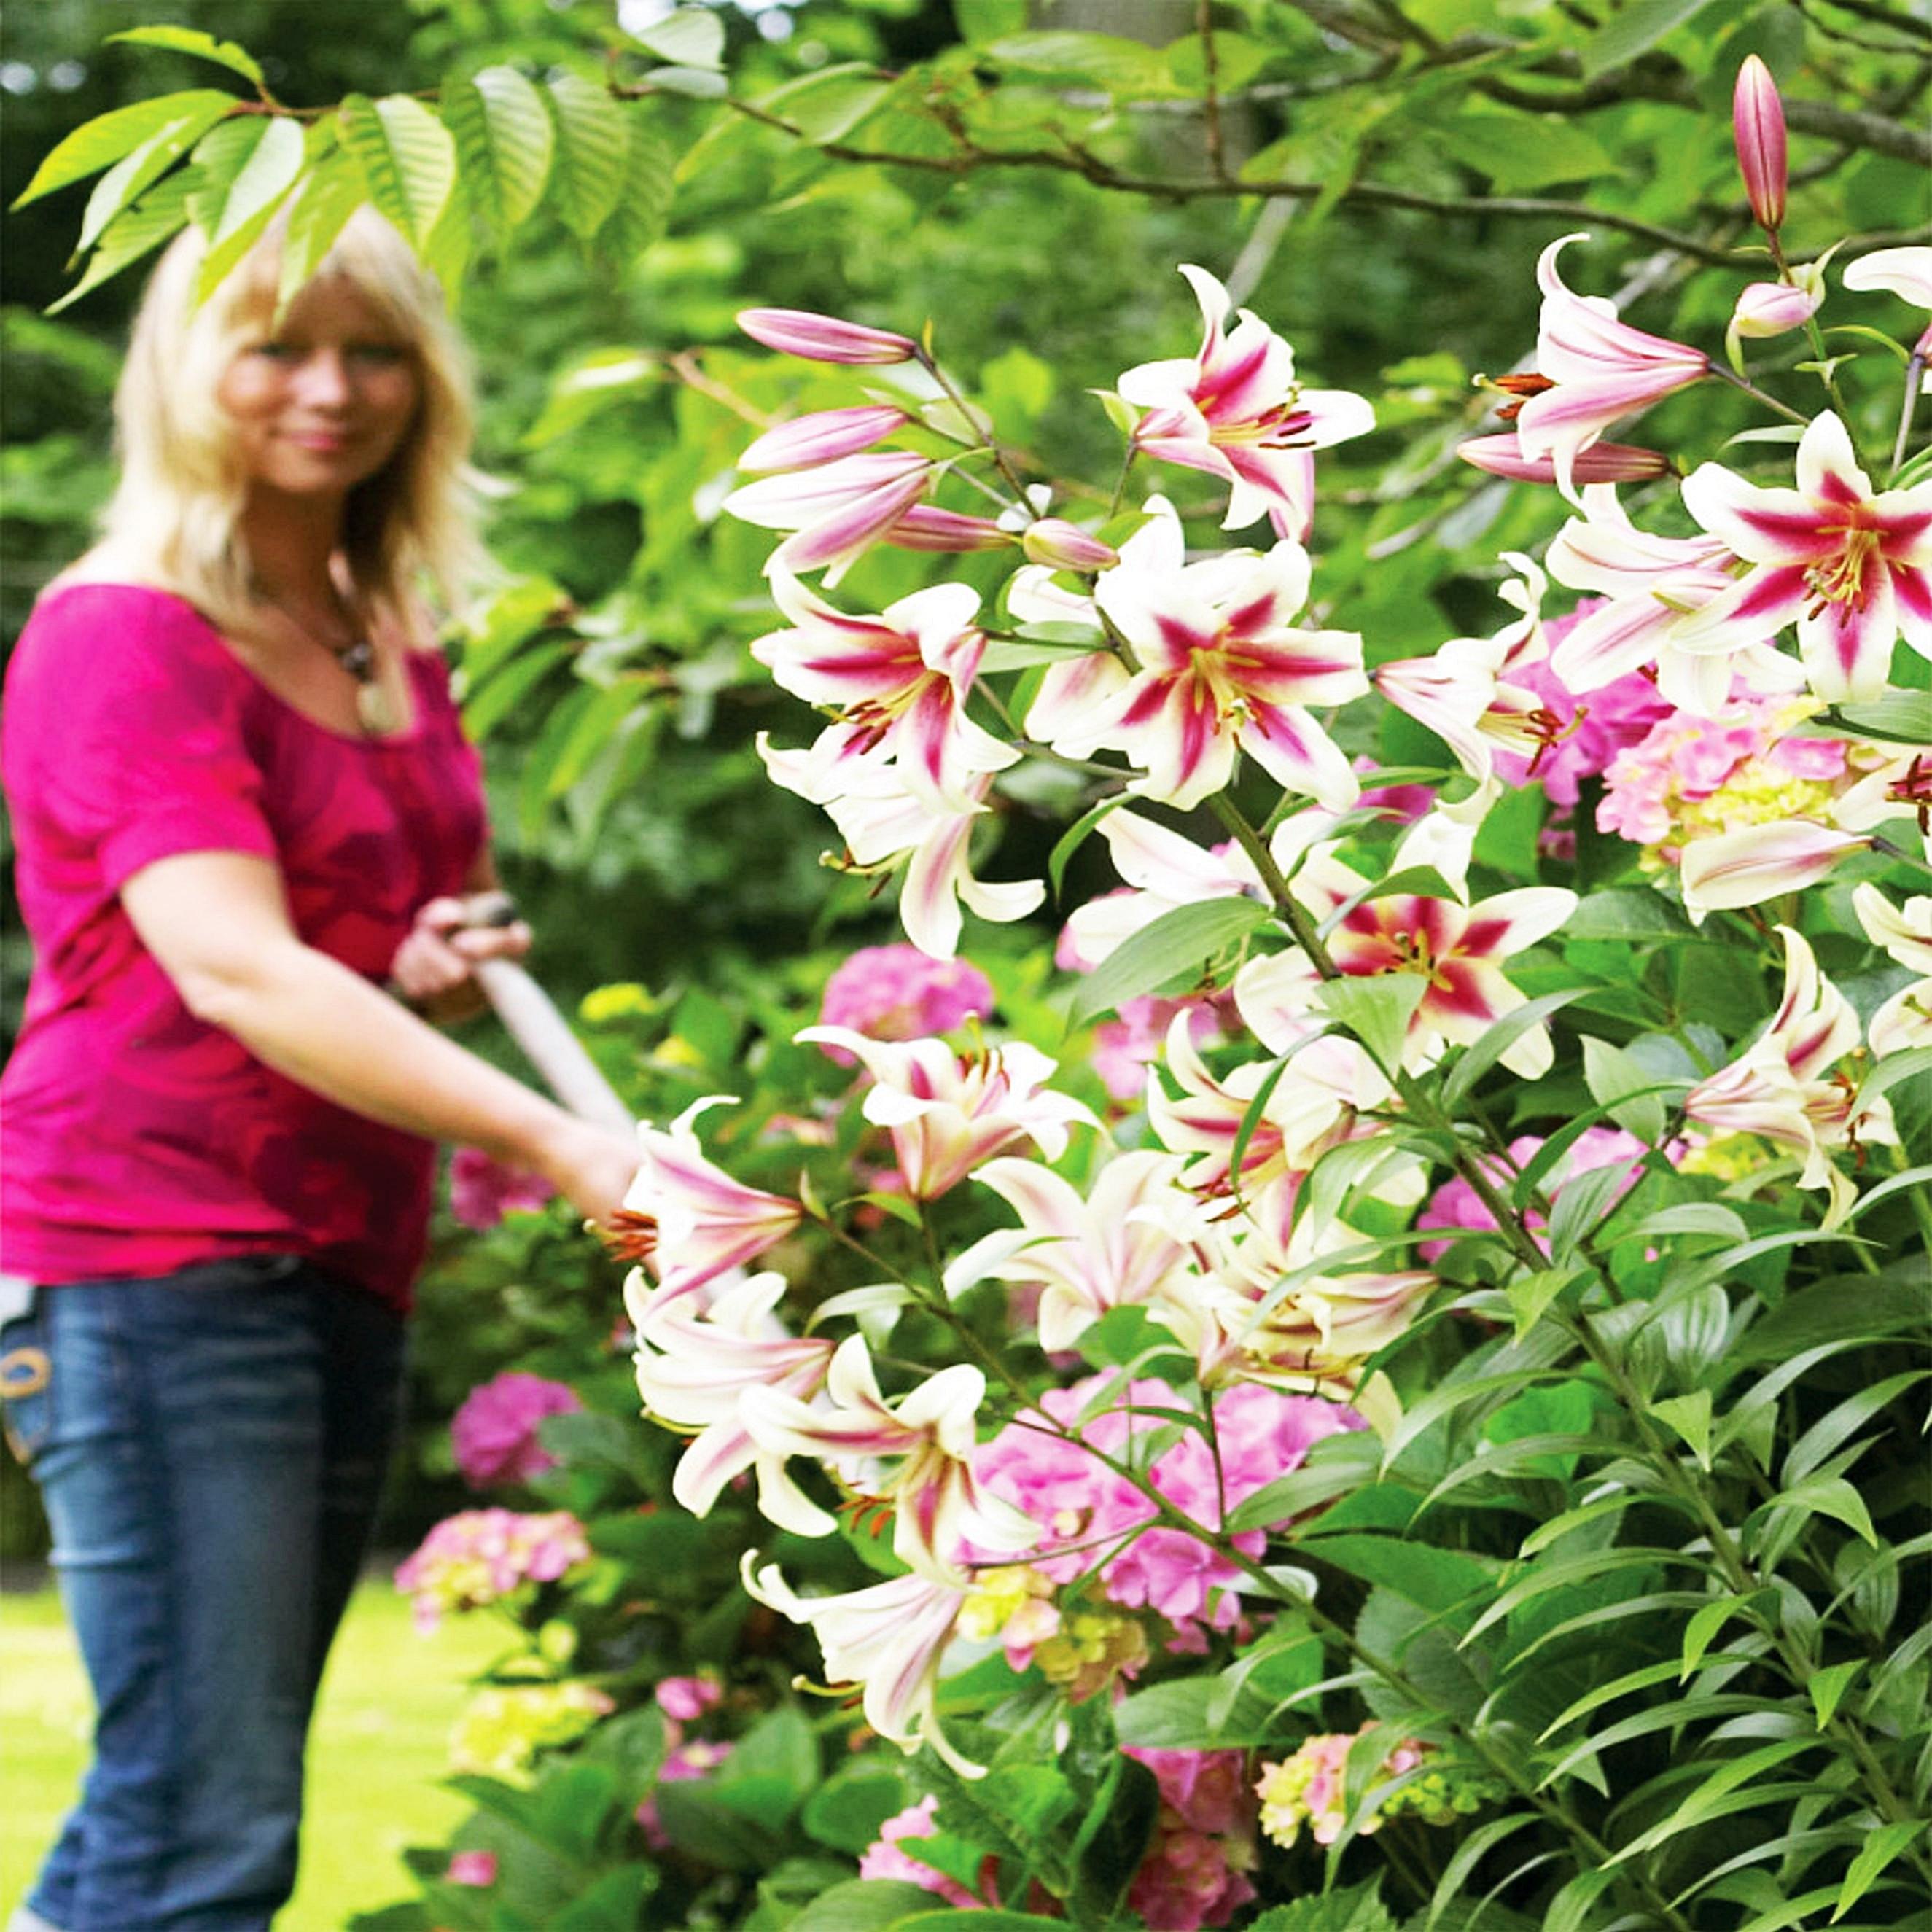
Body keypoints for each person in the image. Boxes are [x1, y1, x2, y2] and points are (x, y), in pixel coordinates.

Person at [0, 209, 638, 1932]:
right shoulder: (123, 630)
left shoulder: (376, 621)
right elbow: (226, 962)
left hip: (329, 1241)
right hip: (155, 1255)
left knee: (217, 1802)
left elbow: (305, 935)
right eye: (276, 343)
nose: (331, 390)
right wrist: (562, 1141)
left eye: (373, 348)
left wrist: (402, 959)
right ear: (181, 368)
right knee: (194, 1822)